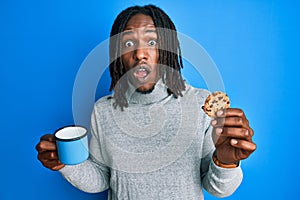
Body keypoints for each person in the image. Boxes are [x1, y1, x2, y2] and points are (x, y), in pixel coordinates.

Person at [36, 4, 256, 200]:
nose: (140, 53)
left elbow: (217, 189)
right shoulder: (103, 110)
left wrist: (225, 162)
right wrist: (65, 164)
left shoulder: (199, 105)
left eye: (152, 41)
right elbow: (102, 178)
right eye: (128, 43)